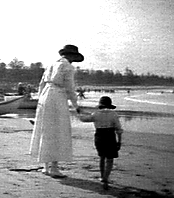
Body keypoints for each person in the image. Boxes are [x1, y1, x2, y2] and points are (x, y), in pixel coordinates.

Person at [29, 44, 83, 178]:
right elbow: (70, 87)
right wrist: (76, 105)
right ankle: (54, 167)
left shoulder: (51, 64)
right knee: (57, 131)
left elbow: (41, 83)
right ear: (70, 56)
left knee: (45, 130)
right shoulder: (67, 67)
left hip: (45, 96)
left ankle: (46, 166)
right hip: (57, 97)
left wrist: (40, 99)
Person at [78, 96, 123, 190]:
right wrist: (119, 141)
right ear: (110, 105)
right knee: (110, 159)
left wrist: (79, 113)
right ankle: (106, 177)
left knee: (102, 157)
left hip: (99, 135)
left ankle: (102, 177)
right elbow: (118, 129)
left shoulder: (96, 114)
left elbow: (84, 119)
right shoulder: (114, 114)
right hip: (110, 135)